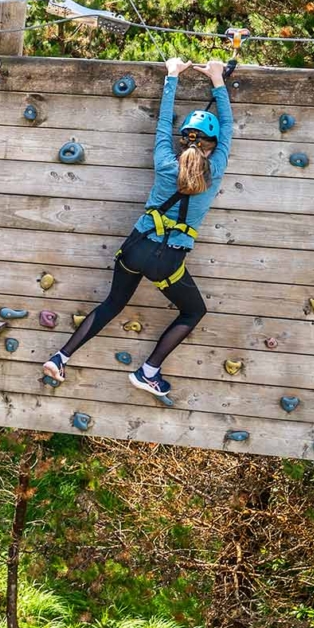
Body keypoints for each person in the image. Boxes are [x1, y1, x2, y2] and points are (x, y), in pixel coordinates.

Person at [42, 56, 233, 400]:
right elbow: (229, 128)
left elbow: (162, 125)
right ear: (213, 145)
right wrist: (218, 79)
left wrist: (172, 75)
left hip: (135, 247)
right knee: (193, 311)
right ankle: (149, 371)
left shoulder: (164, 162)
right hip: (166, 261)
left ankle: (60, 357)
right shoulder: (215, 170)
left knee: (113, 302)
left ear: (182, 140)